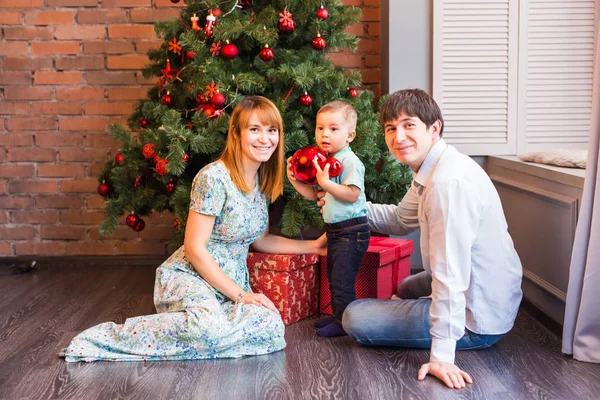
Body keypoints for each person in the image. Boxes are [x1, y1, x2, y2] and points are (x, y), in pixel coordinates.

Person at [60, 96, 326, 362]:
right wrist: (241, 295)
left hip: (230, 283)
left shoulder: (261, 181)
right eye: (254, 129)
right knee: (208, 329)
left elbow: (261, 240)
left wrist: (313, 246)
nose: (265, 139)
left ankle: (211, 334)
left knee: (271, 329)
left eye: (272, 130)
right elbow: (194, 249)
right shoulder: (213, 178)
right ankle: (108, 338)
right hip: (190, 276)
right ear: (236, 134)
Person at [320, 89, 523, 388]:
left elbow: (450, 276)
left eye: (408, 125)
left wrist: (442, 357)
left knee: (355, 318)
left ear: (434, 128)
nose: (398, 136)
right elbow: (401, 220)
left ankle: (451, 333)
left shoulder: (447, 184)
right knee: (405, 286)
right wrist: (344, 204)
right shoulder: (433, 168)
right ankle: (418, 309)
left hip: (478, 318)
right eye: (391, 128)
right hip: (482, 287)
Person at [287, 101, 370, 337]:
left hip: (352, 231)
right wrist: (294, 179)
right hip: (335, 232)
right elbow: (315, 195)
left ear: (350, 135)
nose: (325, 134)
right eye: (320, 128)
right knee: (334, 276)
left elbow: (353, 194)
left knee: (343, 279)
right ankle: (337, 316)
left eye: (334, 129)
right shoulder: (323, 161)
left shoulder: (349, 161)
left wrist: (325, 183)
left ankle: (345, 324)